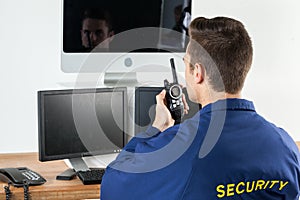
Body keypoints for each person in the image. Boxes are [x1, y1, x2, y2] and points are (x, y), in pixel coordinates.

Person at [100, 17, 300, 199]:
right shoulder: (286, 146)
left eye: (186, 64)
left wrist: (157, 128)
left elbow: (112, 187)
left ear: (198, 73)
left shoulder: (177, 150)